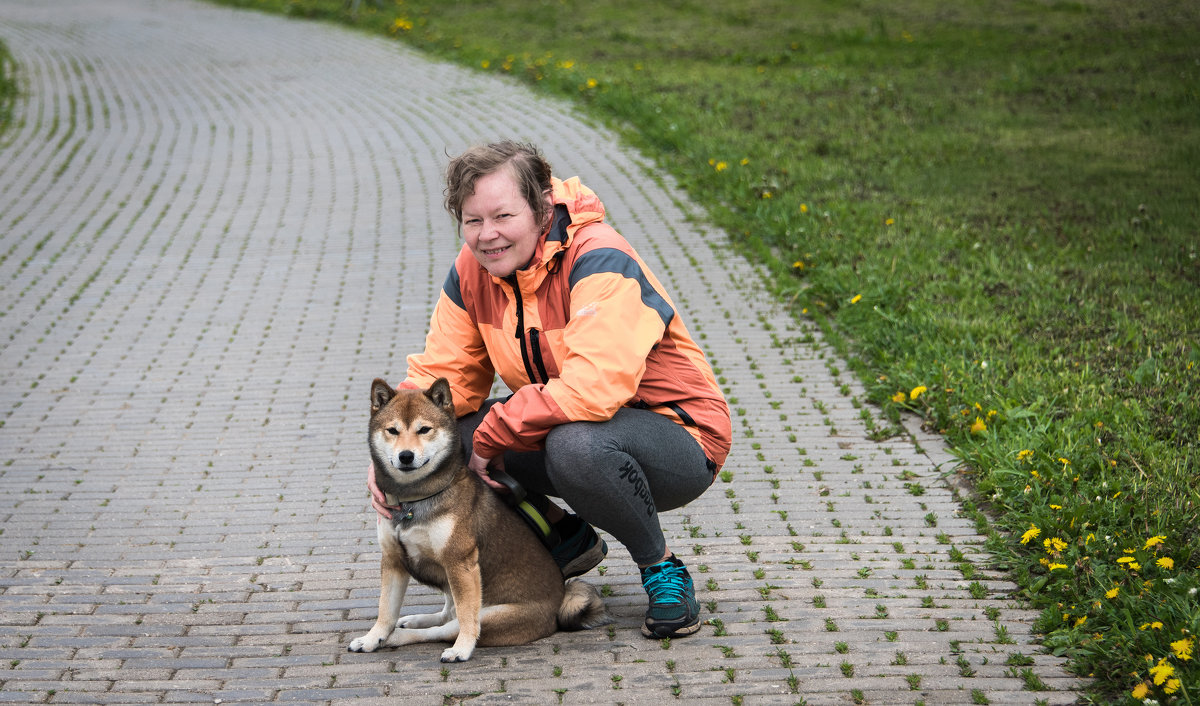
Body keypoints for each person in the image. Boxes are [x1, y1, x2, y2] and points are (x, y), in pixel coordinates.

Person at [367, 140, 731, 639]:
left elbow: (593, 389)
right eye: (472, 221)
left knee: (573, 446)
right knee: (450, 438)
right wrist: (392, 453)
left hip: (679, 437)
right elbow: (443, 374)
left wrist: (497, 430)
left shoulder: (599, 257)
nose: (487, 235)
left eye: (502, 216)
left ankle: (661, 567)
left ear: (541, 208)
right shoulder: (474, 270)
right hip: (571, 422)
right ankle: (561, 536)